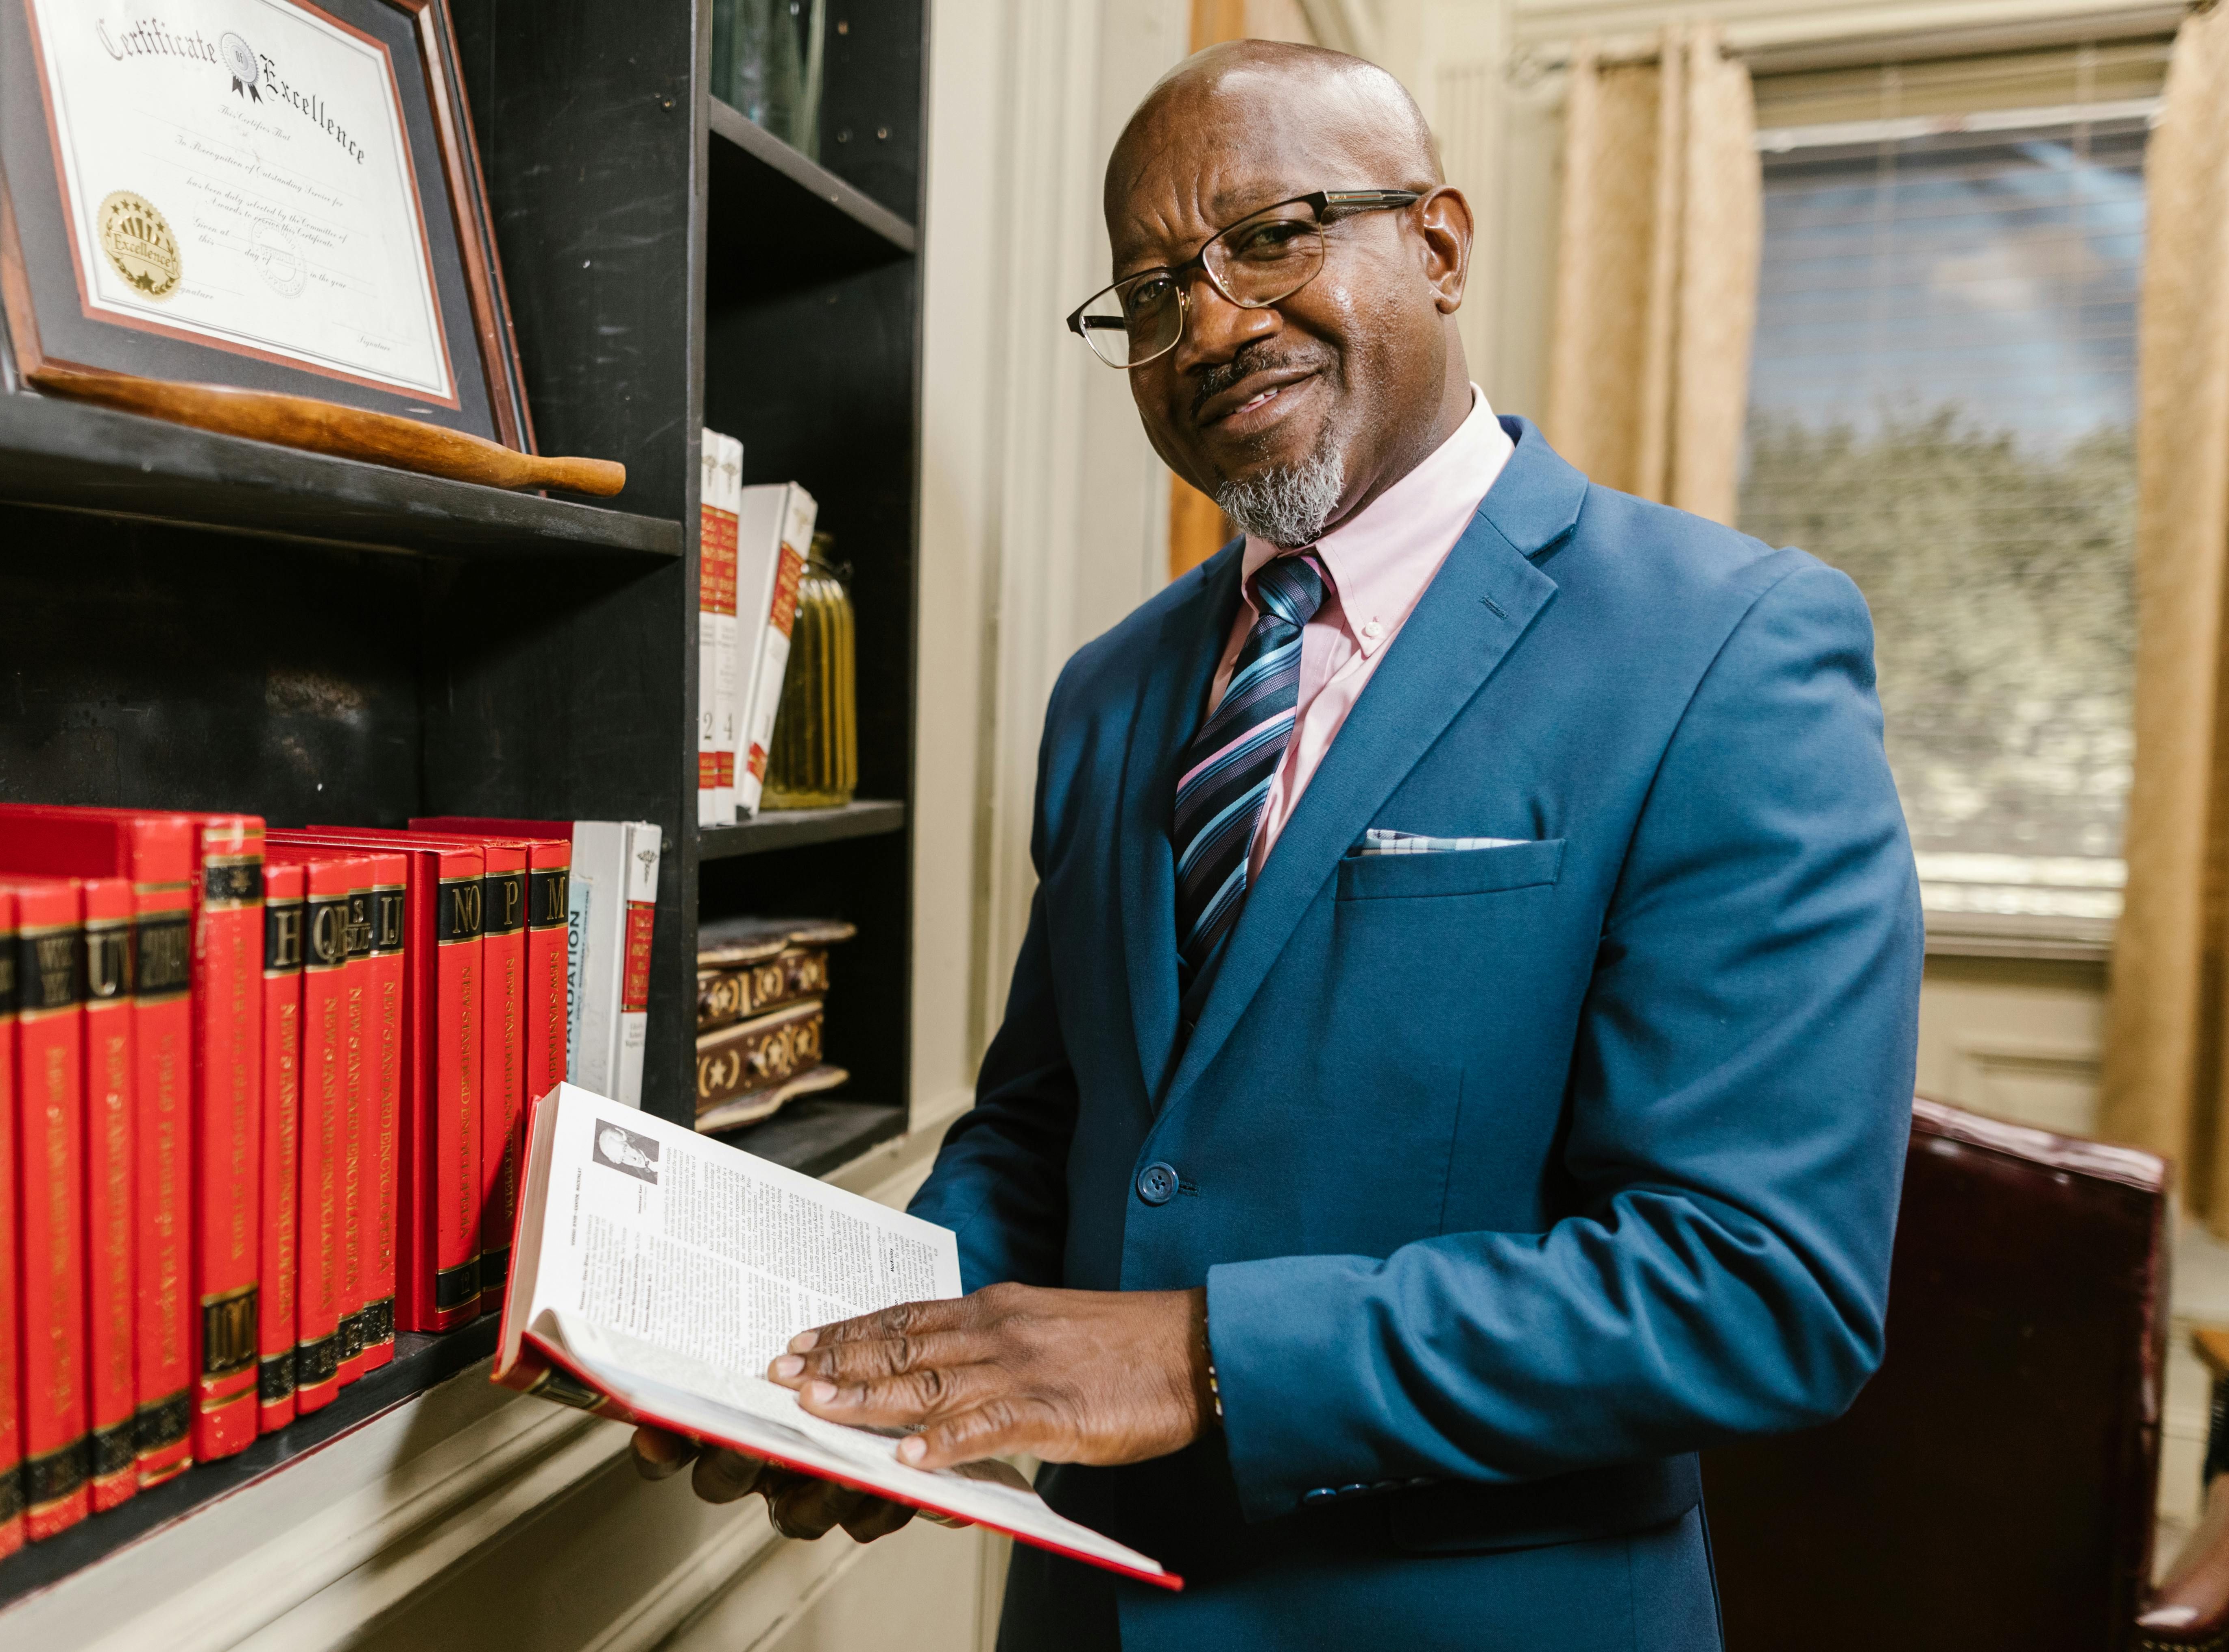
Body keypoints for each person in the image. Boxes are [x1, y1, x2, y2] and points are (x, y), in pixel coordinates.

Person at [634, 38, 1920, 1650]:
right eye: (1153, 292)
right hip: (1086, 1609)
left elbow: (1760, 1284)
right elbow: (1047, 1127)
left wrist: (1201, 1354)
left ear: (1440, 246)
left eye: (1274, 233)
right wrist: (870, 1372)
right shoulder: (1110, 692)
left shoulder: (1728, 647)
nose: (1216, 324)